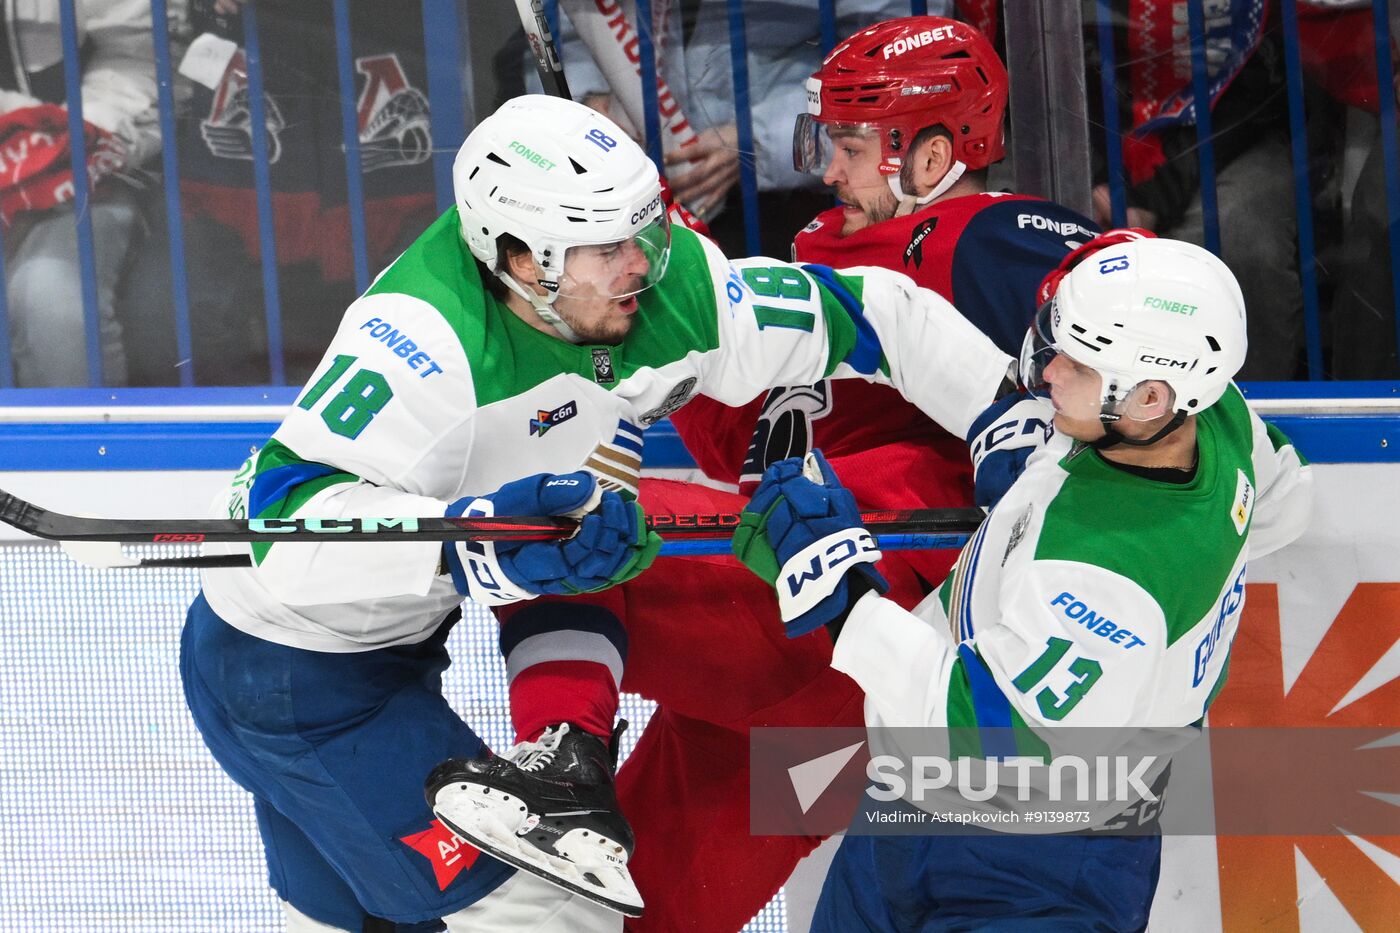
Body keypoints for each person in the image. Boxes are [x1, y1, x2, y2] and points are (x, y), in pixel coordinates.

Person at [180, 93, 1018, 930]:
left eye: (644, 230)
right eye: (606, 245)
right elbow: (273, 527)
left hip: (389, 658)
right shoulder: (419, 344)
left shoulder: (678, 291)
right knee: (553, 914)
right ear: (520, 257)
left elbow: (876, 314)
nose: (642, 266)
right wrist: (473, 548)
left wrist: (1000, 410)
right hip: (295, 677)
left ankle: (569, 753)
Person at [731, 232, 1314, 929]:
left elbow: (987, 732)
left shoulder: (1112, 573)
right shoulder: (1212, 415)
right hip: (909, 811)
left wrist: (836, 584)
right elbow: (1284, 500)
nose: (1049, 375)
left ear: (1152, 396)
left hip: (1037, 868)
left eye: (1078, 362)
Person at [0, 0, 159, 387]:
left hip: (87, 174)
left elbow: (141, 55)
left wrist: (77, 138)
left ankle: (94, 448)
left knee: (53, 300)